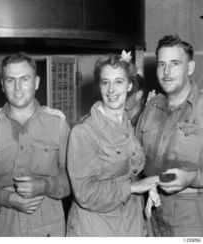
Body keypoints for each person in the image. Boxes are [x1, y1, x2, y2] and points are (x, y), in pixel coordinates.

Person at [66, 52, 159, 236]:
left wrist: (148, 188)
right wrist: (132, 188)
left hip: (130, 225)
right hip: (96, 229)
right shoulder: (84, 132)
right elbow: (84, 193)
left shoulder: (129, 126)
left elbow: (129, 172)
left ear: (130, 85)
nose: (111, 90)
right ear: (98, 86)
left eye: (118, 82)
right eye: (105, 82)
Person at [0, 52, 71, 236]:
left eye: (24, 79)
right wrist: (7, 198)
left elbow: (73, 178)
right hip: (4, 231)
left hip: (49, 231)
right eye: (11, 80)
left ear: (36, 82)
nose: (18, 87)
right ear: (3, 86)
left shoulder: (58, 123)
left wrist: (44, 186)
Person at [136, 35, 203, 236]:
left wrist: (192, 177)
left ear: (190, 68)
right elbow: (132, 157)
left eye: (175, 64)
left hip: (192, 215)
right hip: (151, 213)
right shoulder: (150, 107)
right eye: (161, 64)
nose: (166, 72)